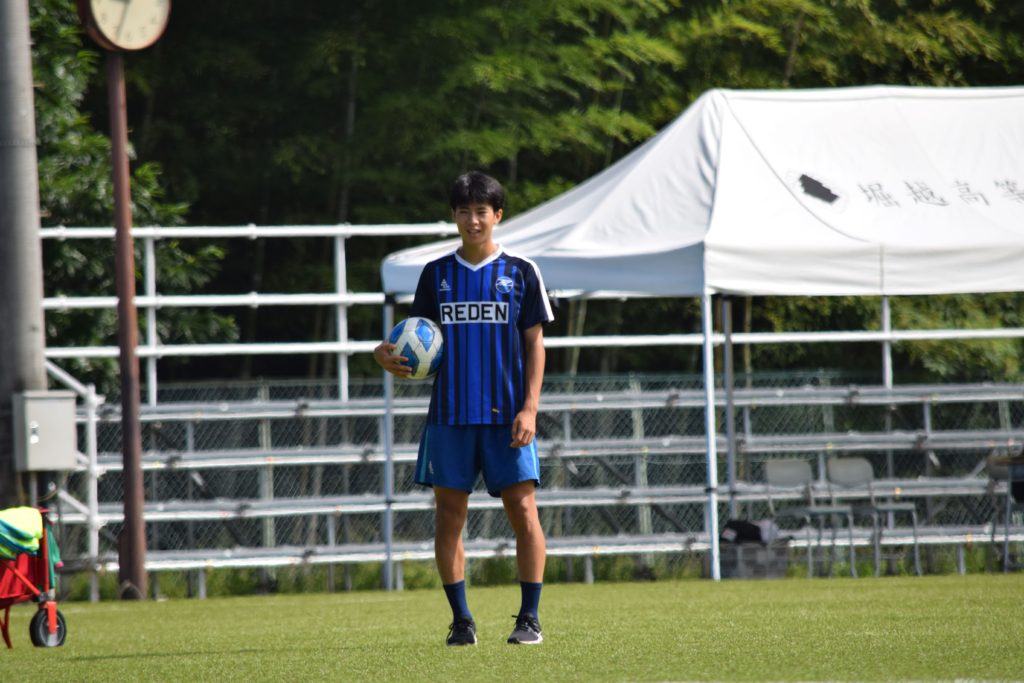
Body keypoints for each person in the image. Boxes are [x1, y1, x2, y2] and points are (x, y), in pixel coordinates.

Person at [374, 171, 553, 646]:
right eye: (464, 211)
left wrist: (530, 408)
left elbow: (535, 344)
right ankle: (462, 621)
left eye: (481, 211)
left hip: (506, 416)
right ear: (453, 216)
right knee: (449, 517)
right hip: (450, 416)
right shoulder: (436, 274)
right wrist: (384, 355)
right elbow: (415, 342)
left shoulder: (521, 271)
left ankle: (529, 618)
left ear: (498, 215)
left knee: (524, 510)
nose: (473, 220)